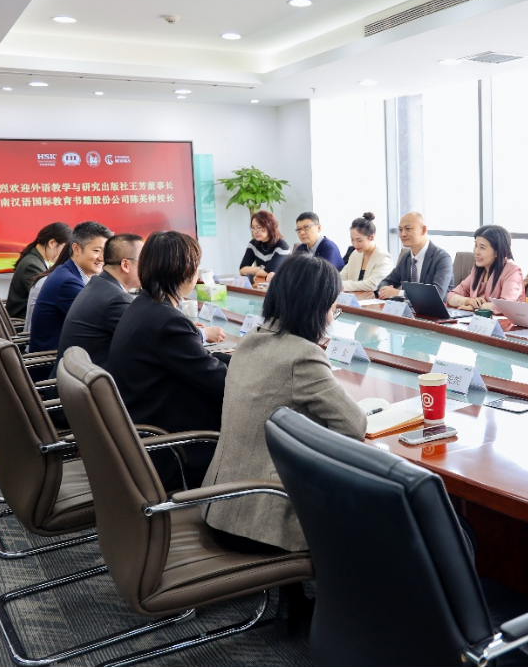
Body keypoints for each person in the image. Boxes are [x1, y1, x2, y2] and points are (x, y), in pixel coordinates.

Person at [203, 254, 367, 552]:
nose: (332, 318)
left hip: (219, 506)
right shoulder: (302, 355)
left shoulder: (251, 339)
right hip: (262, 521)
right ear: (316, 307)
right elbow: (354, 425)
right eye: (333, 309)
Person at [106, 231, 230, 487]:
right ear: (185, 272)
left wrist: (233, 360)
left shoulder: (143, 306)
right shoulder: (167, 321)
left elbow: (196, 362)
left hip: (143, 436)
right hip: (172, 450)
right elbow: (222, 383)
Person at [55, 234, 144, 370]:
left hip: (77, 377)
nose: (148, 267)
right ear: (125, 265)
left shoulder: (98, 285)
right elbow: (146, 344)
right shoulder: (116, 299)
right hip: (92, 380)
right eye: (144, 261)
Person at [27, 221, 113, 353]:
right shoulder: (67, 283)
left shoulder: (68, 273)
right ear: (76, 249)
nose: (102, 258)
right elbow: (99, 323)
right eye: (97, 251)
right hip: (54, 360)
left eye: (105, 252)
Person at [376, 212, 454, 301]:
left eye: (408, 229)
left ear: (423, 230)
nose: (403, 234)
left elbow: (436, 295)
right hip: (407, 309)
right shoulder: (406, 258)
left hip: (435, 309)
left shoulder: (442, 258)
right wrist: (384, 289)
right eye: (400, 230)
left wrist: (399, 293)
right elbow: (386, 281)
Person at [447, 225, 525, 311]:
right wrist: (468, 301)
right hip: (477, 319)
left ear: (497, 251)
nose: (476, 252)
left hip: (505, 320)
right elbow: (451, 296)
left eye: (482, 247)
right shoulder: (478, 270)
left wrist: (477, 307)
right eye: (476, 245)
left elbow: (506, 305)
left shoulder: (513, 271)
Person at [7, 222, 70, 322]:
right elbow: (47, 297)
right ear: (52, 243)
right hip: (23, 324)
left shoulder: (36, 259)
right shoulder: (32, 265)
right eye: (65, 248)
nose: (66, 253)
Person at [25, 242, 73, 333]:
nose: (100, 258)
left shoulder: (56, 276)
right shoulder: (64, 282)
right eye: (96, 251)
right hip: (40, 338)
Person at [339, 212, 393, 293]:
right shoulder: (355, 254)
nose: (355, 244)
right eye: (352, 240)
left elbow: (372, 285)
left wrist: (343, 285)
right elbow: (341, 277)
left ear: (372, 237)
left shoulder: (383, 257)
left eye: (359, 240)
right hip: (355, 297)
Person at [238, 210, 290, 284]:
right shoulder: (253, 244)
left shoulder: (282, 246)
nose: (255, 231)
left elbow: (267, 272)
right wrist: (260, 268)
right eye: (253, 228)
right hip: (261, 285)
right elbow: (242, 270)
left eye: (259, 227)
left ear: (270, 226)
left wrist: (254, 271)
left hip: (280, 285)